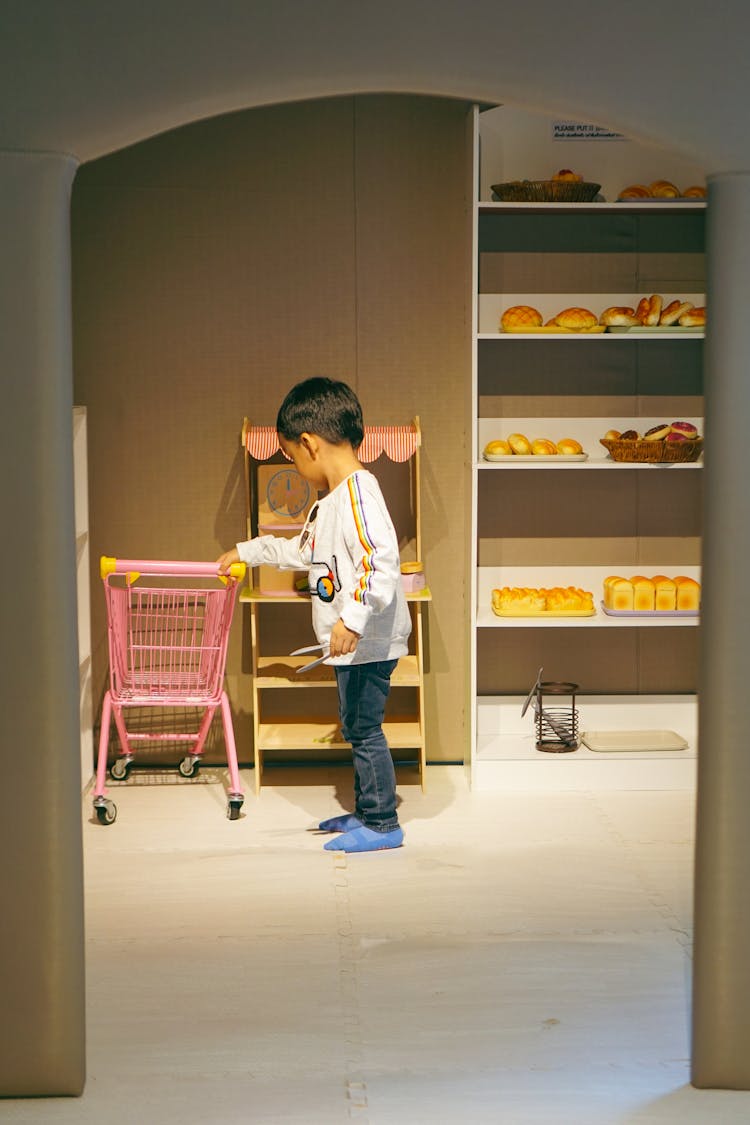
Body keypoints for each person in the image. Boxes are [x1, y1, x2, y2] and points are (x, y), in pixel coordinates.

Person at [217, 377, 411, 853]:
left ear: (309, 443)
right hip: (349, 643)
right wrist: (248, 549)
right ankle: (367, 812)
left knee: (364, 728)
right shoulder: (331, 503)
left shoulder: (360, 493)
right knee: (355, 725)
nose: (295, 467)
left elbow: (379, 563)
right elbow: (301, 552)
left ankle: (384, 823)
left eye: (291, 457)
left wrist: (352, 620)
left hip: (365, 641)